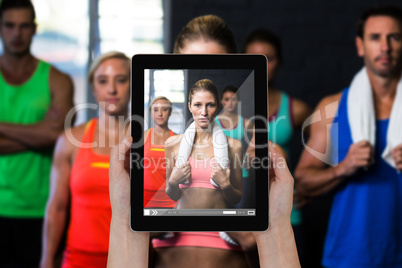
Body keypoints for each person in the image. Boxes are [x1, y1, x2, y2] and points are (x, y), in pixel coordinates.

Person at [294, 6, 402, 268]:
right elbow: (302, 184)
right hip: (349, 255)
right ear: (360, 45)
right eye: (375, 37)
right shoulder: (331, 109)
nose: (385, 46)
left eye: (395, 37)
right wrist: (344, 168)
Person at [107, 137, 301, 268]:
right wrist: (126, 220)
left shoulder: (249, 237)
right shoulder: (156, 229)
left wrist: (276, 227)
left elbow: (237, 201)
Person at [0, 0, 74, 266]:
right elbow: (50, 135)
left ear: (34, 29)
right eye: (9, 25)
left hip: (42, 209)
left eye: (23, 26)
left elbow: (61, 135)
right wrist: (41, 132)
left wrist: (2, 126)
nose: (16, 33)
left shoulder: (57, 79)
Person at [40, 51, 130, 268]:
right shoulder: (70, 141)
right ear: (93, 88)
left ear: (133, 84)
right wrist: (47, 259)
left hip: (129, 260)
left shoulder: (147, 143)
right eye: (103, 81)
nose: (112, 89)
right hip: (77, 260)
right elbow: (57, 207)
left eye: (121, 80)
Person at [243, 28, 312, 262]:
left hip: (286, 214)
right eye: (254, 59)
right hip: (239, 215)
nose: (261, 65)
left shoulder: (296, 108)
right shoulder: (223, 107)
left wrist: (309, 183)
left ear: (279, 63)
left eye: (268, 59)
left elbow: (328, 149)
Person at [214, 85, 255, 208]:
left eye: (233, 99)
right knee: (219, 212)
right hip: (219, 172)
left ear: (238, 101)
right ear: (221, 101)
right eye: (226, 99)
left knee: (241, 214)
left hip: (241, 172)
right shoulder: (214, 122)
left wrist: (251, 149)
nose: (230, 103)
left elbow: (261, 132)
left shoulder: (244, 121)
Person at [144, 96, 176, 209]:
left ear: (170, 112)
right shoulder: (142, 137)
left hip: (170, 199)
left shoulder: (177, 139)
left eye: (164, 109)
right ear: (151, 112)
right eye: (156, 110)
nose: (160, 114)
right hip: (144, 199)